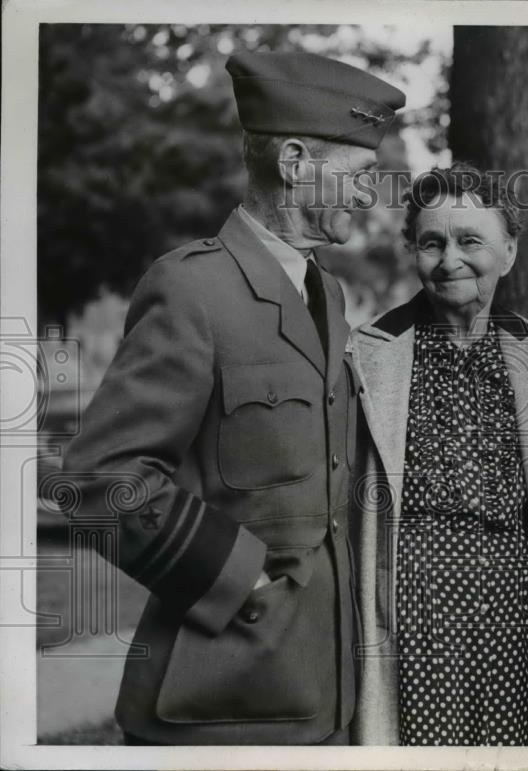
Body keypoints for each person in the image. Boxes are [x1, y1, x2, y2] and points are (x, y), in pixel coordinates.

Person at [60, 51, 405, 745]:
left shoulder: (328, 292)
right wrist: (236, 577)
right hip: (220, 696)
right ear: (296, 160)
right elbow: (97, 481)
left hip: (324, 693)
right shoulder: (192, 289)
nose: (372, 196)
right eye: (361, 176)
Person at [349, 164, 528, 745]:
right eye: (432, 243)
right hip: (413, 613)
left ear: (510, 249)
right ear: (414, 253)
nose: (450, 259)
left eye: (470, 240)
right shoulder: (369, 354)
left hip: (519, 615)